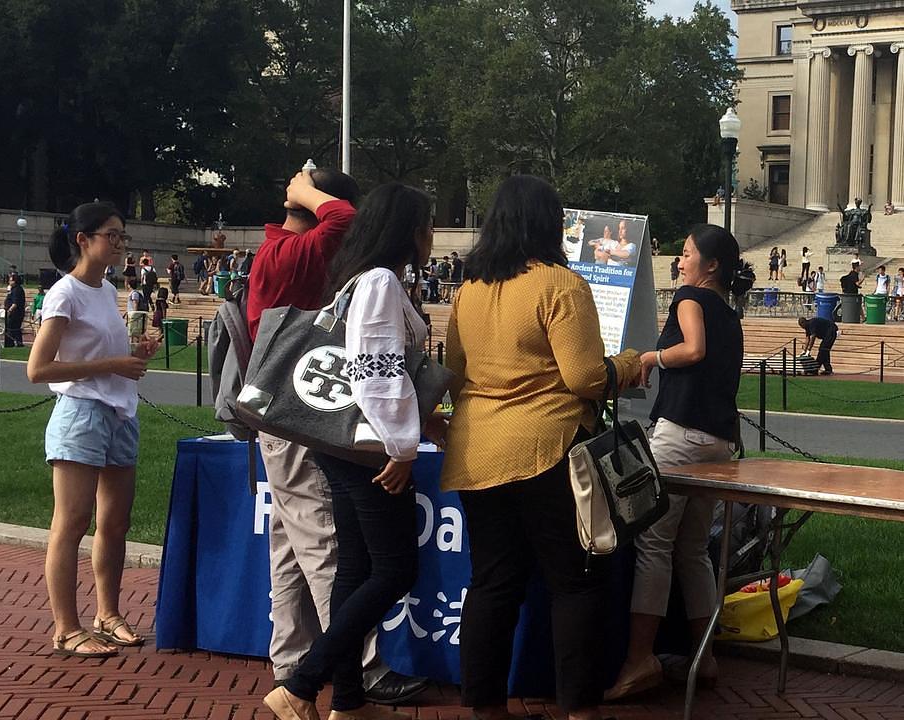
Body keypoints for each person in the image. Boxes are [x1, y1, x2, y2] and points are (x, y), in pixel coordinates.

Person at [440, 175, 642, 720]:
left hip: (477, 451)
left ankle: (483, 706)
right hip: (549, 451)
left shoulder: (469, 290)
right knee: (575, 583)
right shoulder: (562, 285)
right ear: (549, 224)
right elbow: (582, 377)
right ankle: (579, 708)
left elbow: (455, 377)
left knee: (492, 584)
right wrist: (630, 365)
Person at [246, 170, 427, 718]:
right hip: (367, 447)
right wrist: (401, 446)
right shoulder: (380, 283)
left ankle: (344, 701)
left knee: (351, 569)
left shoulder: (358, 278)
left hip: (344, 442)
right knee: (395, 570)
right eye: (426, 225)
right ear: (406, 231)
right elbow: (377, 370)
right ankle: (302, 685)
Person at [607, 224, 753, 701]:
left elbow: (693, 350)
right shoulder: (731, 314)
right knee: (693, 552)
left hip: (680, 436)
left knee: (654, 547)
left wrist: (651, 356)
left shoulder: (690, 297)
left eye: (687, 253)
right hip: (718, 441)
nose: (680, 260)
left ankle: (638, 659)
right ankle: (704, 656)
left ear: (710, 266)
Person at [26, 202, 160, 658]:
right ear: (83, 239)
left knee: (115, 523)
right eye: (113, 235)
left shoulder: (105, 290)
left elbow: (113, 362)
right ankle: (66, 626)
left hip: (120, 413)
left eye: (123, 236)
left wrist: (138, 354)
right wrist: (111, 364)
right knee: (72, 523)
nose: (120, 244)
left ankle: (108, 614)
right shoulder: (65, 294)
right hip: (81, 414)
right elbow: (38, 368)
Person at [3, 272, 26, 347]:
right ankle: (13, 343)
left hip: (15, 313)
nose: (9, 282)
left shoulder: (17, 290)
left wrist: (10, 310)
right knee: (12, 328)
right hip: (13, 312)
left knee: (13, 328)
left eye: (11, 280)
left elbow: (15, 303)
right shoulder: (12, 289)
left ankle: (13, 343)